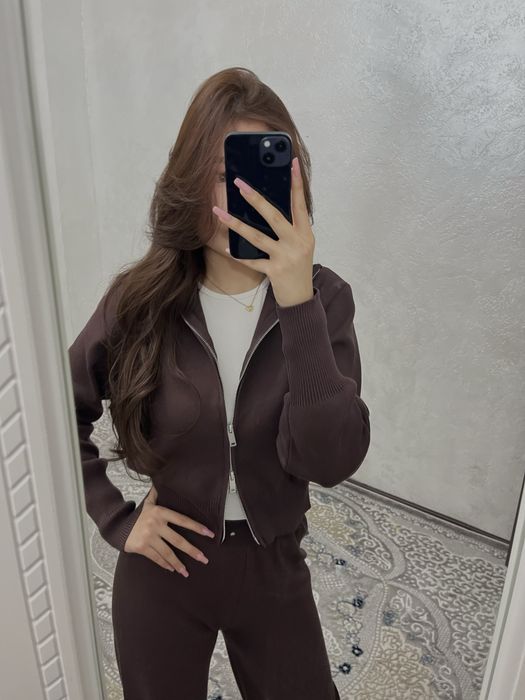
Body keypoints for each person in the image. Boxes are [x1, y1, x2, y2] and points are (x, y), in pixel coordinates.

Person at [68, 66, 370, 700]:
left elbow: (330, 461)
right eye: (220, 175)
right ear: (187, 185)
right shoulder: (139, 301)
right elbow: (52, 412)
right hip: (165, 563)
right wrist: (115, 517)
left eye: (260, 175)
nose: (243, 198)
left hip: (273, 563)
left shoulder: (324, 300)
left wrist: (297, 302)